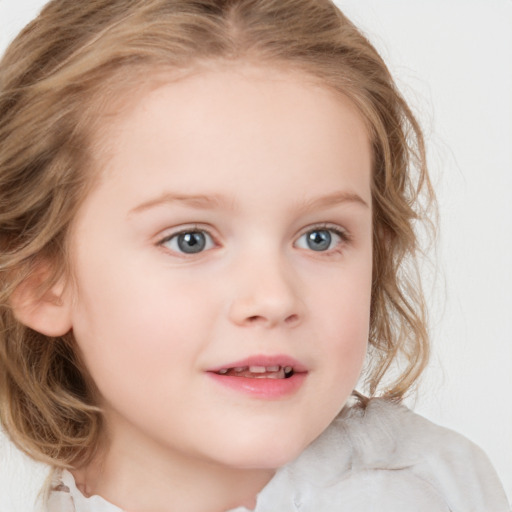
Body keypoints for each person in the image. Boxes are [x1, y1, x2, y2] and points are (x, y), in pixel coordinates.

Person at [0, 1, 508, 511]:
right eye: (190, 239)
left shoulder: (443, 490)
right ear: (38, 277)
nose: (272, 298)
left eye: (320, 237)